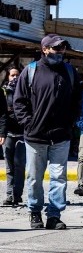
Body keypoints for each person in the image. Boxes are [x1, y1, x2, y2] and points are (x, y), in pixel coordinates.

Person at [14, 34, 81, 229]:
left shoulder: (70, 72)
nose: (59, 52)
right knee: (34, 177)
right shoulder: (31, 71)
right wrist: (29, 123)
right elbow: (19, 102)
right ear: (45, 49)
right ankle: (35, 212)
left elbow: (77, 100)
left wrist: (70, 123)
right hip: (35, 137)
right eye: (55, 48)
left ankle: (54, 215)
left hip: (61, 136)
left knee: (59, 177)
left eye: (62, 48)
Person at [2, 67, 24, 207]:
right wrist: (2, 133)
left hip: (23, 134)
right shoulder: (4, 93)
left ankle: (17, 194)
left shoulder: (25, 91)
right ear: (8, 77)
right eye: (12, 75)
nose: (14, 78)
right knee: (9, 166)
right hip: (8, 134)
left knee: (20, 165)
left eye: (17, 75)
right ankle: (9, 195)